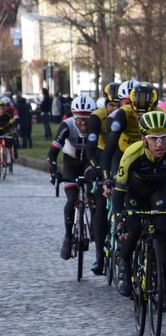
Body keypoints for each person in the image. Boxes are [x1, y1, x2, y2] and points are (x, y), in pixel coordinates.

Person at [113, 111, 166, 302]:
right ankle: (125, 266)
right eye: (154, 139)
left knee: (164, 230)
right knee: (135, 229)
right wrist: (120, 218)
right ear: (143, 139)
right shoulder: (131, 154)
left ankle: (164, 289)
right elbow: (119, 190)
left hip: (158, 190)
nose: (160, 144)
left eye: (164, 138)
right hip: (133, 192)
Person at [47, 96, 97, 260]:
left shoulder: (96, 125)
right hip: (71, 163)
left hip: (88, 162)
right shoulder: (67, 125)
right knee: (71, 199)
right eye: (79, 118)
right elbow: (52, 153)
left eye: (87, 119)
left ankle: (96, 229)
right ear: (73, 116)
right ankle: (68, 237)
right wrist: (53, 171)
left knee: (92, 195)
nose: (83, 123)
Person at [85, 82, 121, 275]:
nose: (115, 110)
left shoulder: (127, 117)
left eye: (119, 105)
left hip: (121, 156)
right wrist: (97, 167)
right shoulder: (97, 117)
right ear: (105, 104)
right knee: (100, 202)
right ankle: (99, 254)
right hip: (100, 156)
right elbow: (90, 147)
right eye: (111, 106)